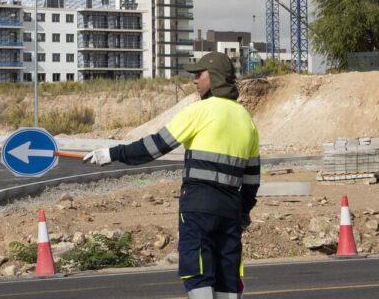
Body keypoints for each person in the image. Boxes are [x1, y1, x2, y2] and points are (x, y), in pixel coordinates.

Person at [84, 52, 260, 299]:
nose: (194, 80)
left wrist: (112, 153)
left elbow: (155, 146)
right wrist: (243, 212)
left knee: (197, 271)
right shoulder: (246, 118)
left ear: (215, 77)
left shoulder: (199, 111)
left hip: (199, 205)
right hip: (230, 209)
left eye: (199, 74)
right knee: (227, 274)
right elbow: (252, 178)